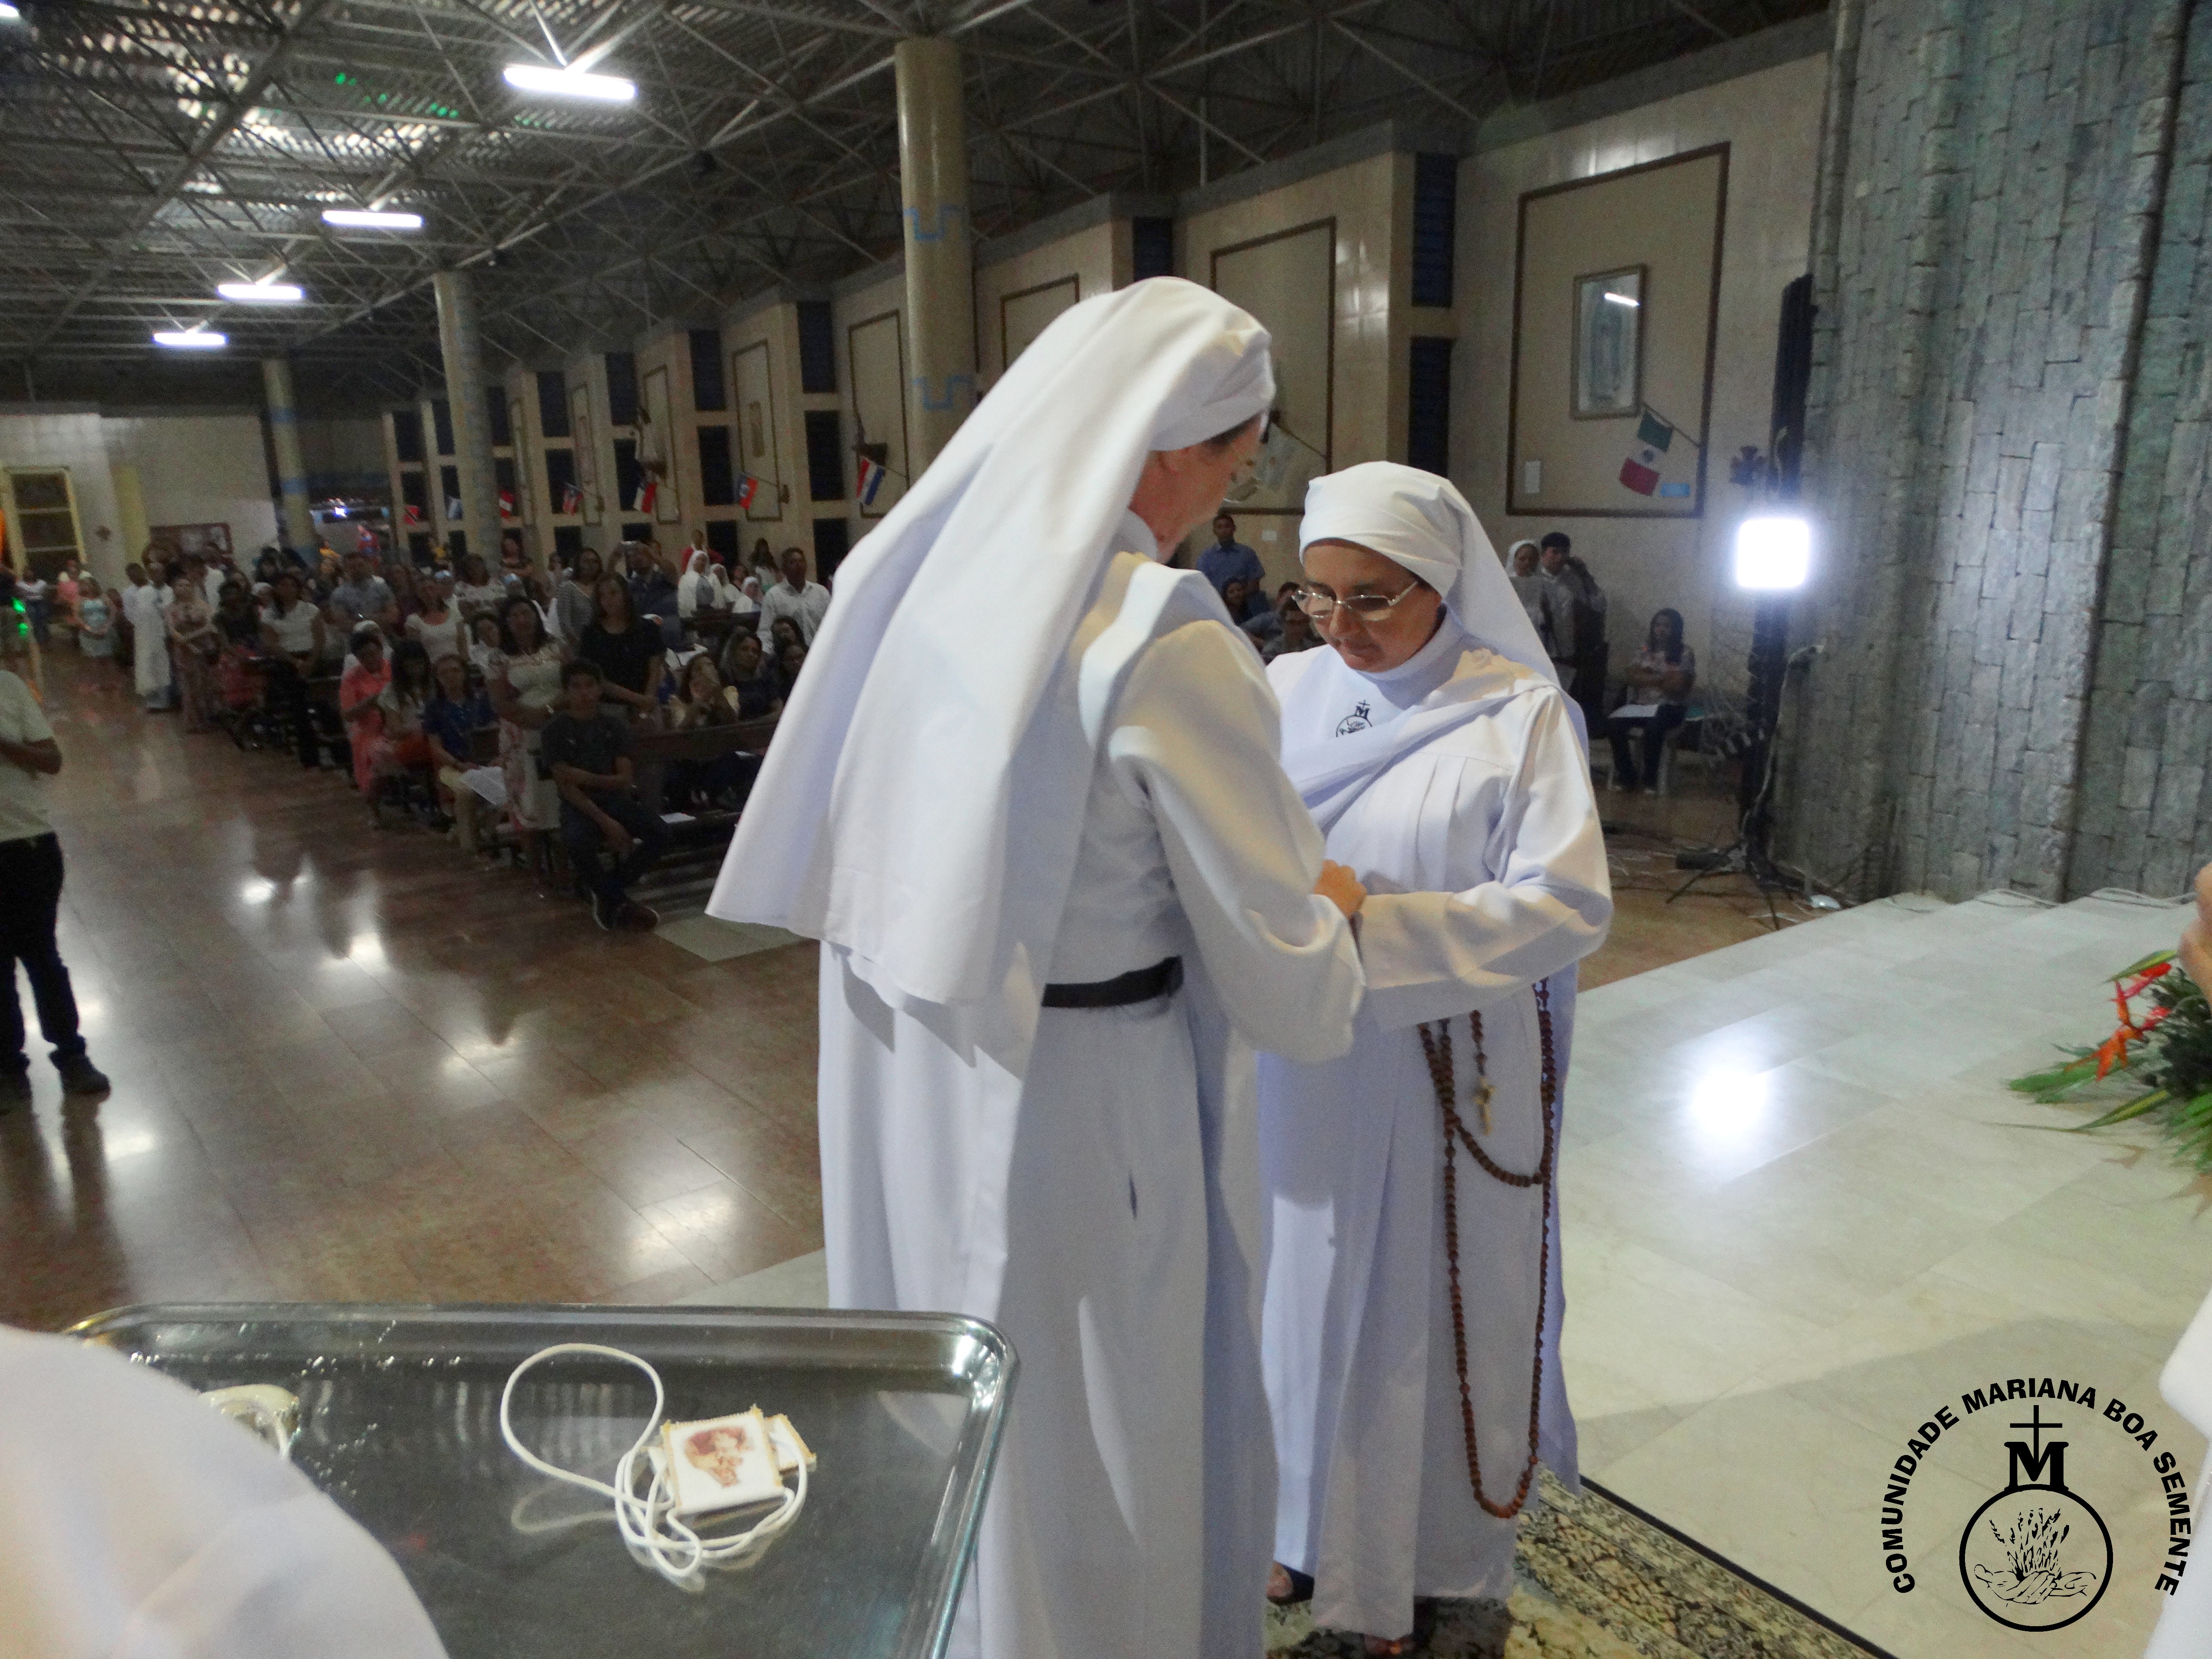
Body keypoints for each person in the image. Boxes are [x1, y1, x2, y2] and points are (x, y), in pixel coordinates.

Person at [704, 278, 1368, 1659]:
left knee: (966, 1420)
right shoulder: (1163, 629)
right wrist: (1336, 916)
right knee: (1103, 1443)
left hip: (916, 1075)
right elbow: (1281, 970)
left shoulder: (915, 587)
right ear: (1172, 447)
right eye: (1241, 454)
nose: (1236, 487)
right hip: (1086, 1099)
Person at [1259, 465, 1610, 1654]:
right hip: (1303, 1066)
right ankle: (1296, 1523)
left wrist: (1378, 923)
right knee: (1295, 1295)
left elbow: (1569, 903)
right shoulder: (1283, 692)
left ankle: (1416, 1565)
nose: (1341, 627)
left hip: (1446, 1069)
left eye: (1373, 597)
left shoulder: (1516, 713)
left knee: (1417, 1315)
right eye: (1318, 596)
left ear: (1442, 584)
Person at [0, 667, 110, 1108]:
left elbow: (52, 760)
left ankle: (72, 1056)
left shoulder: (8, 686)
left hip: (27, 844)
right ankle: (8, 1069)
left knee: (42, 957)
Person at [542, 661, 666, 930]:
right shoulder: (554, 730)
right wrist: (606, 822)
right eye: (576, 687)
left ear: (600, 689)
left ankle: (607, 890)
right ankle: (615, 900)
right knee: (577, 842)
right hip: (579, 805)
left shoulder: (614, 724)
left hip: (615, 800)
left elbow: (625, 778)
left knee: (660, 832)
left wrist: (587, 778)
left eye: (590, 686)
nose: (584, 693)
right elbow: (567, 786)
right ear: (566, 692)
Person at [485, 594, 567, 892]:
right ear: (506, 623)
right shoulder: (499, 658)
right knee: (529, 801)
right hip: (520, 734)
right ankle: (536, 870)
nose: (522, 620)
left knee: (558, 798)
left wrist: (550, 712)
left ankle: (564, 867)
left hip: (558, 725)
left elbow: (573, 682)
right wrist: (532, 718)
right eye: (515, 615)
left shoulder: (557, 647)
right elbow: (500, 702)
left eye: (527, 613)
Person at [1607, 607, 1696, 792]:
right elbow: (1632, 677)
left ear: (1676, 629)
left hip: (1669, 707)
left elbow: (1677, 685)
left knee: (1654, 728)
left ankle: (1650, 779)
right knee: (1614, 724)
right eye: (1658, 625)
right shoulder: (1644, 649)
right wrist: (1662, 679)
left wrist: (1647, 676)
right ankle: (1627, 776)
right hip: (1641, 705)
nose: (1661, 630)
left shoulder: (1685, 653)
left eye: (1667, 626)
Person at [259, 570, 338, 769]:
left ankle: (339, 754)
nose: (288, 589)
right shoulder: (270, 614)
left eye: (292, 585)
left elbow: (319, 638)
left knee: (325, 706)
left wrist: (310, 661)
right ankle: (310, 758)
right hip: (288, 661)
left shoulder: (310, 609)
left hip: (313, 658)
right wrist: (295, 662)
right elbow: (272, 643)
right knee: (299, 709)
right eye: (283, 585)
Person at [1535, 533, 1607, 733]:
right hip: (1540, 649)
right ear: (1544, 553)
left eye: (1564, 553)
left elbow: (1598, 605)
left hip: (1566, 650)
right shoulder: (1533, 577)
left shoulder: (1572, 579)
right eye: (1554, 552)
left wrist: (1585, 575)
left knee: (1563, 702)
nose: (1560, 558)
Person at [579, 574, 662, 722]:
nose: (608, 600)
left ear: (625, 594)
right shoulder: (591, 634)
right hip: (607, 708)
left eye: (613, 593)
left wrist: (646, 704)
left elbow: (655, 669)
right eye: (603, 596)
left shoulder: (648, 629)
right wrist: (638, 700)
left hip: (646, 704)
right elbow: (596, 678)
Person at [337, 625, 391, 794]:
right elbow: (347, 715)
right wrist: (368, 703)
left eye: (374, 653)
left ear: (381, 650)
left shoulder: (394, 670)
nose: (371, 659)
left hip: (396, 724)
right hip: (369, 731)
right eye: (364, 656)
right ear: (358, 658)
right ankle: (373, 796)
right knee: (377, 751)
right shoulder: (351, 679)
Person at [165, 570, 220, 733]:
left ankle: (210, 719)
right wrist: (189, 644)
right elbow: (173, 632)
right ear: (174, 588)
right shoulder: (170, 609)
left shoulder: (202, 605)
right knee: (189, 686)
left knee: (206, 683)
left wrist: (190, 637)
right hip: (184, 652)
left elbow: (211, 626)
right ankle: (194, 722)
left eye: (187, 585)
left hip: (205, 648)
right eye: (180, 585)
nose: (184, 588)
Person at [120, 562, 173, 711]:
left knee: (166, 668)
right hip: (147, 636)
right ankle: (154, 702)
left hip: (167, 635)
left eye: (159, 572)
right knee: (149, 668)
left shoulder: (170, 591)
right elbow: (135, 615)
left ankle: (169, 700)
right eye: (153, 572)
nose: (156, 575)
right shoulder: (143, 593)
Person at [754, 546, 828, 646]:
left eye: (801, 561)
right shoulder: (774, 595)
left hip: (820, 649)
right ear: (784, 569)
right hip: (789, 652)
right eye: (793, 562)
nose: (798, 565)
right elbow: (765, 632)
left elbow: (833, 624)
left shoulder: (821, 592)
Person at [327, 550, 399, 634]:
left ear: (367, 565)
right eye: (353, 567)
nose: (358, 570)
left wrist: (360, 620)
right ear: (346, 569)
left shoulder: (381, 586)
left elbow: (393, 616)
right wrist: (376, 618)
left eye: (361, 566)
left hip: (384, 636)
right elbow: (343, 624)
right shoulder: (339, 594)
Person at [1197, 509, 1264, 597]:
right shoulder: (1206, 557)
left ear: (1234, 529)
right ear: (1214, 531)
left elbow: (1254, 584)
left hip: (1244, 603)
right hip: (1216, 602)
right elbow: (1202, 585)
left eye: (1227, 526)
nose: (1224, 531)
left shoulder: (1247, 554)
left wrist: (1237, 598)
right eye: (1219, 527)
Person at [717, 630, 780, 719]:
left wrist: (756, 724)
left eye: (755, 651)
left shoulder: (765, 680)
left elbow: (779, 710)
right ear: (733, 653)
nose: (751, 655)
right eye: (745, 649)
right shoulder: (722, 681)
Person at [406, 573, 462, 667]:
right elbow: (417, 653)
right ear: (418, 594)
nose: (428, 593)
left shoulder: (454, 613)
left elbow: (462, 644)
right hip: (432, 668)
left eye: (431, 588)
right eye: (423, 590)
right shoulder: (414, 621)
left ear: (438, 589)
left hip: (457, 666)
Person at [553, 546, 602, 645]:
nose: (591, 565)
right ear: (578, 564)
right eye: (586, 562)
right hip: (578, 644)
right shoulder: (567, 588)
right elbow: (565, 622)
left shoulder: (601, 587)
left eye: (595, 562)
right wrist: (578, 643)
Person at [1504, 539, 1544, 630]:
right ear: (1514, 559)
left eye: (1532, 559)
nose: (1527, 563)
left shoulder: (1544, 584)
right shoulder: (1504, 583)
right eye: (1522, 559)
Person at [74, 583, 111, 660]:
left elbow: (112, 611)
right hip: (88, 628)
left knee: (106, 657)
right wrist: (87, 627)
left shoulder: (103, 597)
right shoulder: (81, 599)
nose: (89, 587)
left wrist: (106, 627)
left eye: (91, 585)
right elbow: (77, 615)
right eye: (87, 585)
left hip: (103, 628)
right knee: (91, 657)